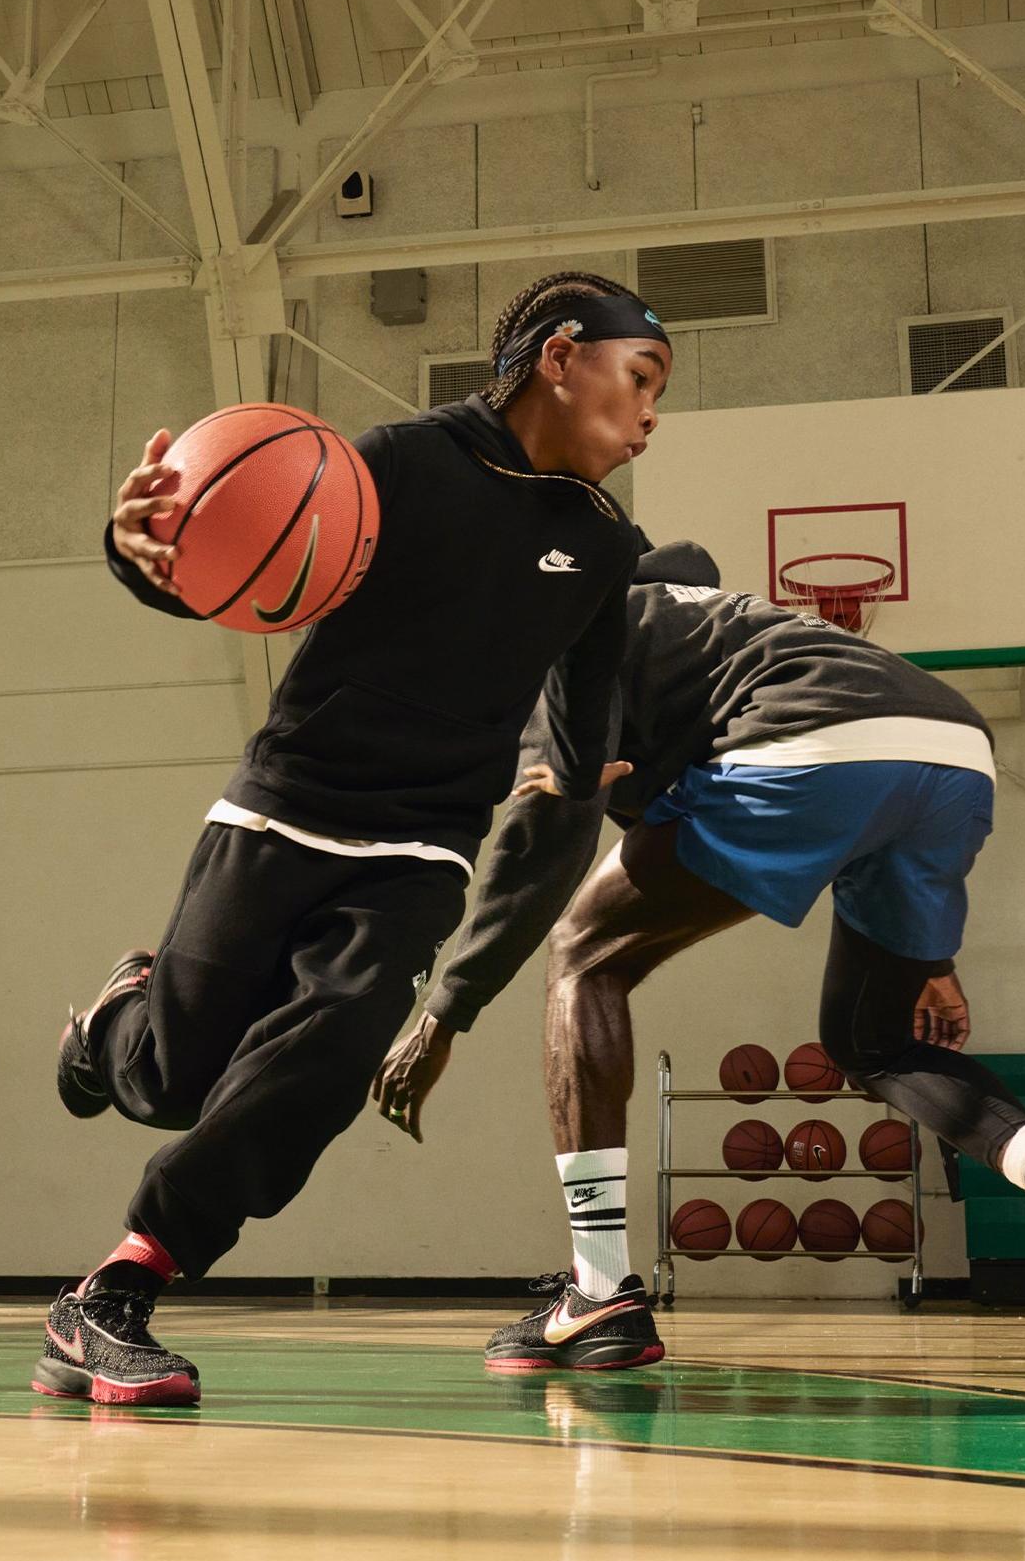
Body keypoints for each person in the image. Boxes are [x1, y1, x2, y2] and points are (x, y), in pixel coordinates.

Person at [36, 273, 671, 1407]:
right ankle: (113, 1021)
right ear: (561, 358)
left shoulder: (602, 543)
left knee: (326, 1060)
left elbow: (583, 715)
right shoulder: (397, 462)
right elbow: (244, 559)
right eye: (642, 378)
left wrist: (588, 779)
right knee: (173, 1080)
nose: (650, 415)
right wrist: (138, 553)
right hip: (285, 802)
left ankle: (113, 1294)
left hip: (421, 846)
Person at [373, 541, 1025, 1375]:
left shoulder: (567, 640)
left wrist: (444, 1013)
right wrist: (931, 956)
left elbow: (542, 843)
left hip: (811, 744)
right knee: (871, 1043)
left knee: (584, 955)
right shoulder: (722, 623)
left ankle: (598, 1289)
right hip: (951, 750)